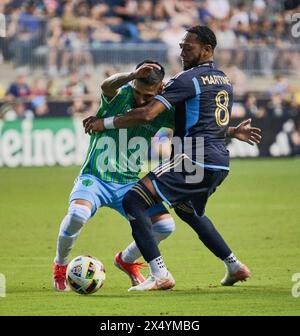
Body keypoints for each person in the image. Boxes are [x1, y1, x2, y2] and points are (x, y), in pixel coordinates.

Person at [83, 26, 262, 291]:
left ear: (207, 49)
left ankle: (159, 273)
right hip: (219, 163)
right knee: (186, 210)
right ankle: (234, 265)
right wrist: (234, 131)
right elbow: (207, 123)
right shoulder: (222, 79)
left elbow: (146, 114)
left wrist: (104, 123)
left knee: (134, 198)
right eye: (181, 46)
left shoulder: (186, 79)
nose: (181, 52)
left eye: (188, 47)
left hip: (195, 159)